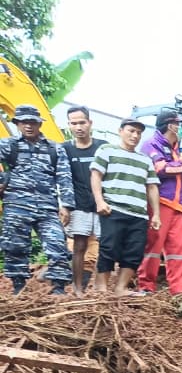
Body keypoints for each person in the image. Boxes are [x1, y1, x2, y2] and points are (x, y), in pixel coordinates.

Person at [0, 104, 74, 294]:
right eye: (24, 122)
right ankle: (18, 288)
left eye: (32, 122)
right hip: (16, 205)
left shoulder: (54, 148)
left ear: (39, 124)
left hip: (47, 207)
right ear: (17, 123)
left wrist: (66, 205)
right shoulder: (8, 145)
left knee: (57, 245)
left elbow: (64, 177)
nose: (28, 126)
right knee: (15, 247)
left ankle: (58, 288)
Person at [90, 118, 160, 295]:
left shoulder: (145, 160)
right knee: (108, 248)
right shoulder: (107, 150)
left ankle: (120, 288)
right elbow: (96, 175)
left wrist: (156, 214)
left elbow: (152, 187)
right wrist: (99, 201)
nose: (135, 135)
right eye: (131, 131)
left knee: (134, 252)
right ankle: (101, 288)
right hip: (113, 209)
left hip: (139, 214)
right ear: (120, 131)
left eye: (139, 133)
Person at [137, 110, 182, 294]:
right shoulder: (151, 144)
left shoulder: (175, 148)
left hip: (177, 205)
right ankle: (146, 287)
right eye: (178, 124)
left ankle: (178, 292)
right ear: (170, 126)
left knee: (178, 251)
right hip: (159, 203)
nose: (180, 128)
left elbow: (178, 174)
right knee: (153, 247)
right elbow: (160, 168)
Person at [62, 106, 106, 294]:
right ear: (69, 125)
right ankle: (77, 288)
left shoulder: (102, 147)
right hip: (78, 204)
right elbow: (61, 178)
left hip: (102, 203)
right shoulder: (65, 149)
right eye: (74, 123)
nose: (78, 127)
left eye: (82, 122)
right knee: (79, 245)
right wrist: (64, 206)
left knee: (105, 245)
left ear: (90, 123)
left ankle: (101, 287)